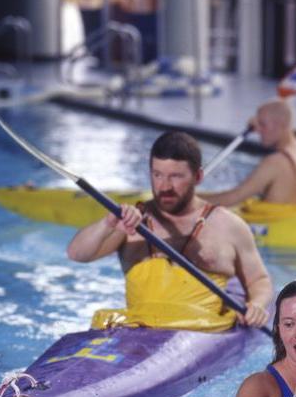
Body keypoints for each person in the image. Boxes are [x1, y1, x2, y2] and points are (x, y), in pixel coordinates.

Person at [67, 130, 272, 331]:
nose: (164, 186)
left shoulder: (228, 225)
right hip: (135, 327)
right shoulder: (131, 221)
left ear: (198, 176)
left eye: (176, 176)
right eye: (157, 175)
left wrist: (257, 304)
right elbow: (76, 254)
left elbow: (258, 280)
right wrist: (107, 224)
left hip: (201, 331)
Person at [199, 98, 296, 207]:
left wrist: (190, 200)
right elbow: (293, 129)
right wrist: (263, 121)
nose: (258, 131)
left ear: (279, 126)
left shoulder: (275, 162)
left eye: (262, 124)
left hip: (274, 224)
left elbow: (232, 198)